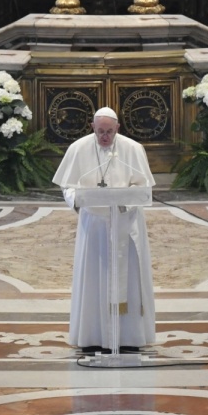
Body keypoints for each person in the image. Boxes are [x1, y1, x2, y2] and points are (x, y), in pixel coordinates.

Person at [52, 107, 157, 354]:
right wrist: (77, 199)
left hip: (126, 223)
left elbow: (144, 189)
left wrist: (123, 202)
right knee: (94, 275)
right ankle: (92, 335)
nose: (105, 137)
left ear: (118, 128)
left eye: (109, 132)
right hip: (95, 225)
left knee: (128, 276)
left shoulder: (132, 149)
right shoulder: (78, 148)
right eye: (100, 131)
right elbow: (67, 187)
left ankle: (130, 337)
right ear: (92, 127)